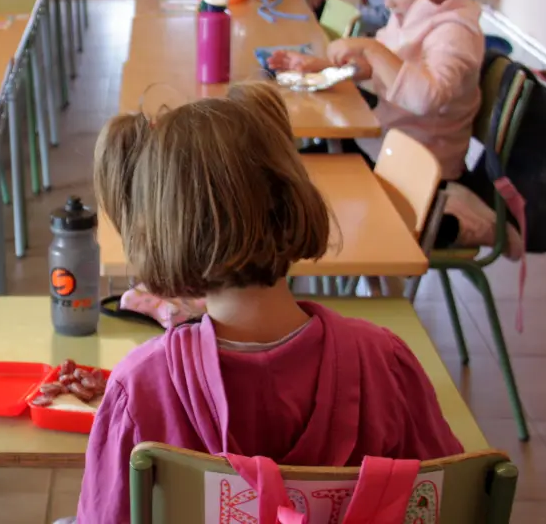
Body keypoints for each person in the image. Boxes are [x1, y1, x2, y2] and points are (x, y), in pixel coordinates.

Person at [71, 84, 464, 524]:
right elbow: (453, 500)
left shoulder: (141, 388)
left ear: (160, 232)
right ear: (292, 199)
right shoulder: (385, 364)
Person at [270, 0, 519, 254]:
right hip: (386, 146)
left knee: (284, 190)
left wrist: (371, 48)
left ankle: (453, 221)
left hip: (418, 169)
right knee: (279, 174)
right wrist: (323, 67)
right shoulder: (415, 13)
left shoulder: (455, 32)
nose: (387, 3)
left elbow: (425, 97)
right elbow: (384, 72)